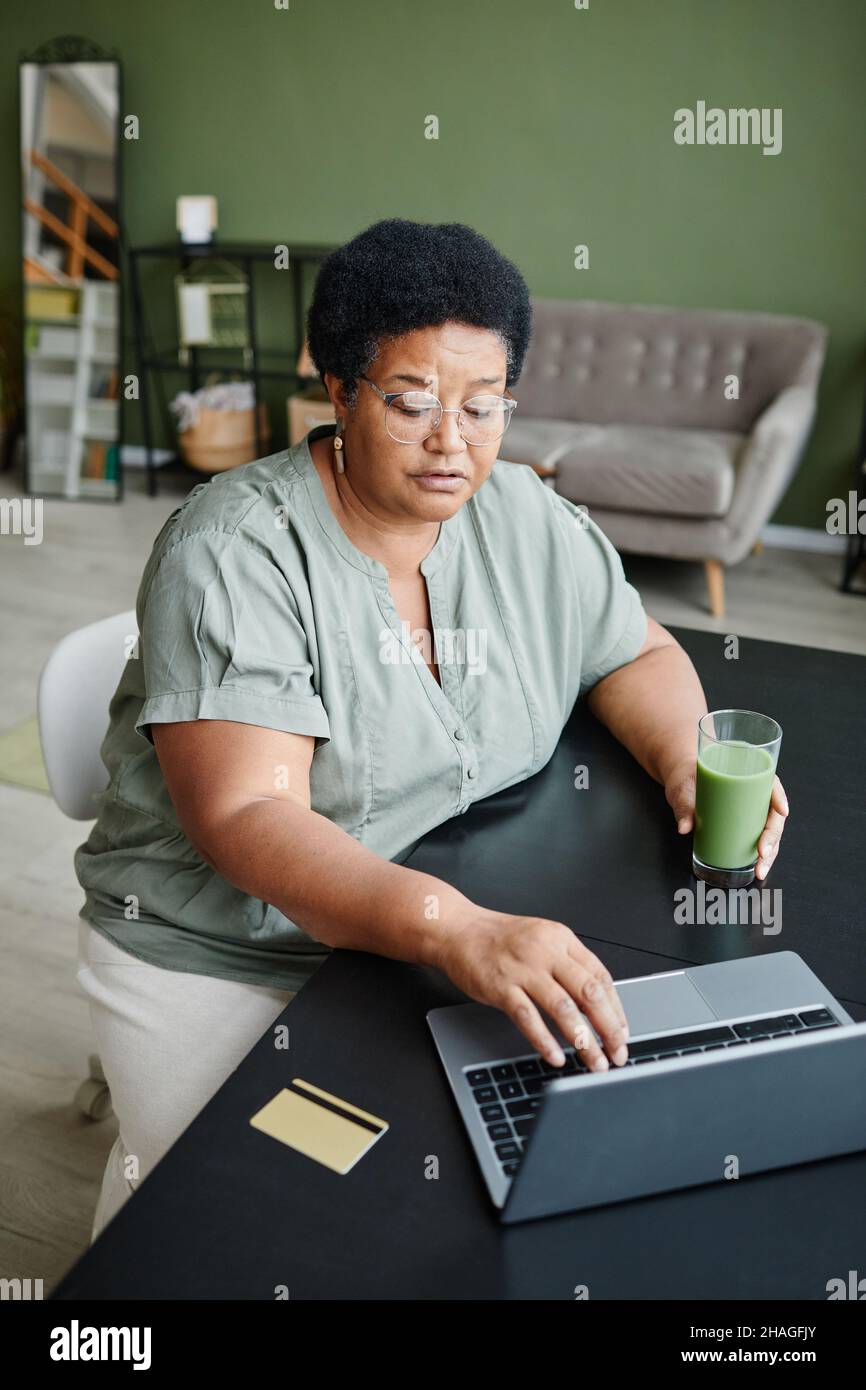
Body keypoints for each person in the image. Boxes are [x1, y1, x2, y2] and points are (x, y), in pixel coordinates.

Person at [75, 218, 788, 1238]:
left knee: (512, 1173)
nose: (452, 440)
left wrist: (685, 757)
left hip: (423, 916)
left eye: (484, 404)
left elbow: (629, 649)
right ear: (336, 389)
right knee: (260, 1219)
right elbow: (243, 814)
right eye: (410, 402)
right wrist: (454, 930)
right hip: (222, 950)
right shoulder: (235, 552)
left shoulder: (522, 516)